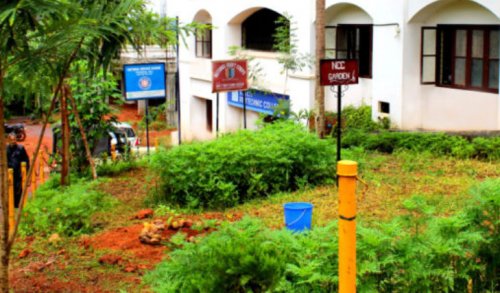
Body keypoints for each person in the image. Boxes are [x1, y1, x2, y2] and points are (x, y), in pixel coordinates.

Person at [6, 133, 30, 208]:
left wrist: (25, 171)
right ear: (8, 140)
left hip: (19, 172)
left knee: (18, 189)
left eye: (14, 139)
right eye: (11, 140)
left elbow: (26, 160)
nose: (13, 141)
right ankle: (10, 205)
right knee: (10, 189)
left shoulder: (20, 148)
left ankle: (17, 205)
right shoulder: (6, 149)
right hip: (9, 173)